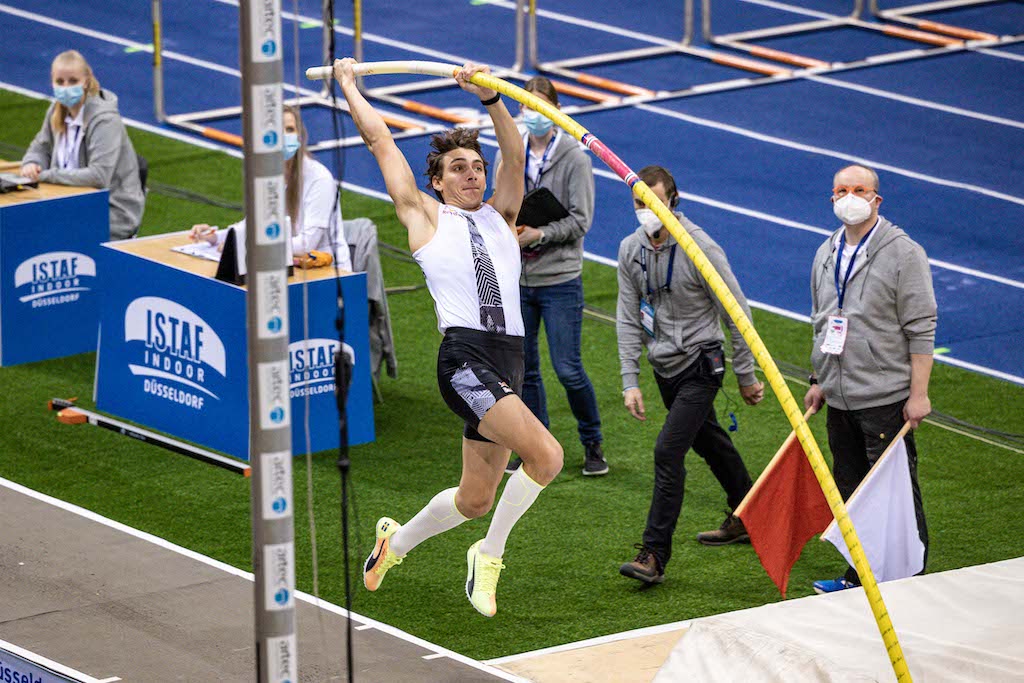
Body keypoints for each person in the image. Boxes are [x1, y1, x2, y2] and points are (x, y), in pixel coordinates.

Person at [333, 57, 563, 617]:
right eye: (459, 168)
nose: (473, 175)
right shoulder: (424, 216)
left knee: (476, 497)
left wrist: (491, 99)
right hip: (465, 359)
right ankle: (488, 556)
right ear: (436, 180)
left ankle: (397, 542)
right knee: (548, 457)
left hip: (510, 358)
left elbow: (515, 154)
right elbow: (381, 143)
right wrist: (348, 86)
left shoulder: (502, 216)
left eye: (476, 167)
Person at [616, 165, 764, 585]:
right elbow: (627, 318)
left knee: (668, 452)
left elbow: (737, 312)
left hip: (702, 362)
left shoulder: (701, 249)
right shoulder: (630, 249)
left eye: (655, 201)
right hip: (665, 367)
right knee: (711, 442)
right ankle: (748, 513)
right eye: (639, 203)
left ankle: (654, 555)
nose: (647, 210)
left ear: (674, 200)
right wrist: (630, 379)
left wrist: (746, 374)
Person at [805, 164, 934, 594]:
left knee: (894, 495)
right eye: (842, 189)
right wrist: (818, 379)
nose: (850, 196)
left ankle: (912, 580)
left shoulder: (903, 252)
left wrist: (919, 394)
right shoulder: (826, 252)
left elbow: (921, 327)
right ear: (832, 199)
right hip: (839, 397)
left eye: (860, 189)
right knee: (852, 495)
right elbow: (822, 321)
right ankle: (860, 576)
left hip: (884, 398)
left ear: (878, 198)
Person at [492, 77, 606, 477]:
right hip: (518, 279)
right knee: (527, 370)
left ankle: (593, 443)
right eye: (525, 105)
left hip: (559, 279)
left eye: (540, 106)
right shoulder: (510, 152)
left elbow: (582, 220)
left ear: (555, 110)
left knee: (568, 367)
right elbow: (498, 205)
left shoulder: (575, 157)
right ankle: (535, 447)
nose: (531, 114)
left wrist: (540, 234)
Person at [189, 104, 352, 271]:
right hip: (288, 266)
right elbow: (250, 228)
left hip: (329, 274)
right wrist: (214, 237)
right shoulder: (267, 177)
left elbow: (306, 244)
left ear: (300, 136)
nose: (284, 136)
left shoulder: (319, 179)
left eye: (290, 129)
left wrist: (248, 247)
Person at [20, 50, 145, 240]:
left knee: (37, 233)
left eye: (72, 81)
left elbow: (98, 177)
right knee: (23, 226)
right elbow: (40, 147)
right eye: (60, 82)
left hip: (110, 214)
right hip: (68, 201)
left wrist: (44, 176)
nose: (66, 88)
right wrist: (31, 163)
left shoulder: (105, 120)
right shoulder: (56, 110)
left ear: (86, 81)